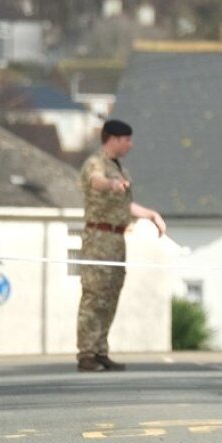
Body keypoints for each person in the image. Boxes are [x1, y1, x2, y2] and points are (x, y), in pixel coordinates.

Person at [76, 119, 167, 372]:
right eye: (127, 139)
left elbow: (124, 206)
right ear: (114, 139)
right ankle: (86, 353)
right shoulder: (97, 163)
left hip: (116, 240)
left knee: (110, 296)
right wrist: (111, 184)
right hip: (98, 239)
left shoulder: (121, 169)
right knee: (94, 296)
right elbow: (96, 181)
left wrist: (150, 214)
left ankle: (100, 349)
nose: (130, 145)